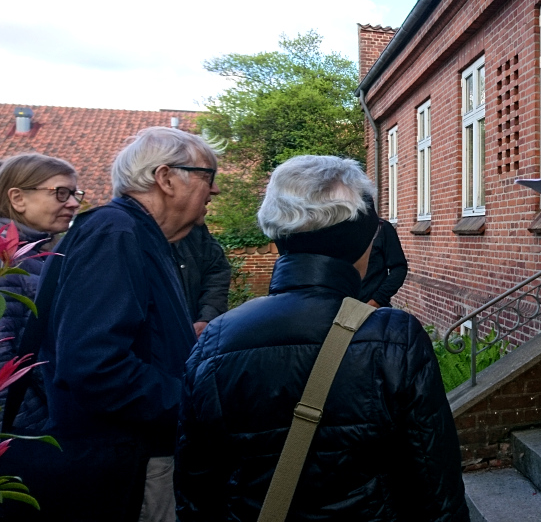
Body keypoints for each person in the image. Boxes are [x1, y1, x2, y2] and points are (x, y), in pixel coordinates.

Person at [176, 155, 469, 522]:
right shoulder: (395, 339)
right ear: (361, 237)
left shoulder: (214, 341)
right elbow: (434, 485)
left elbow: (196, 488)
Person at [5, 127, 220, 522]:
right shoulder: (115, 233)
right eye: (208, 177)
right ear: (166, 178)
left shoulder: (136, 234)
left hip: (126, 462)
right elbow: (94, 365)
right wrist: (196, 405)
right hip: (121, 469)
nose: (215, 191)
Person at [0, 154, 81, 431]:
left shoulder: (40, 256)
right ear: (18, 198)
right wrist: (30, 431)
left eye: (74, 193)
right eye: (60, 193)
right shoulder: (7, 261)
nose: (73, 203)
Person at [171, 221, 231, 336]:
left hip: (193, 339)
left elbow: (217, 273)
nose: (209, 201)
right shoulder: (132, 228)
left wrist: (207, 318)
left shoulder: (196, 230)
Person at [358, 217, 408, 307]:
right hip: (335, 309)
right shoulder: (332, 229)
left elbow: (399, 268)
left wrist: (377, 300)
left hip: (372, 309)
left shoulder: (380, 228)